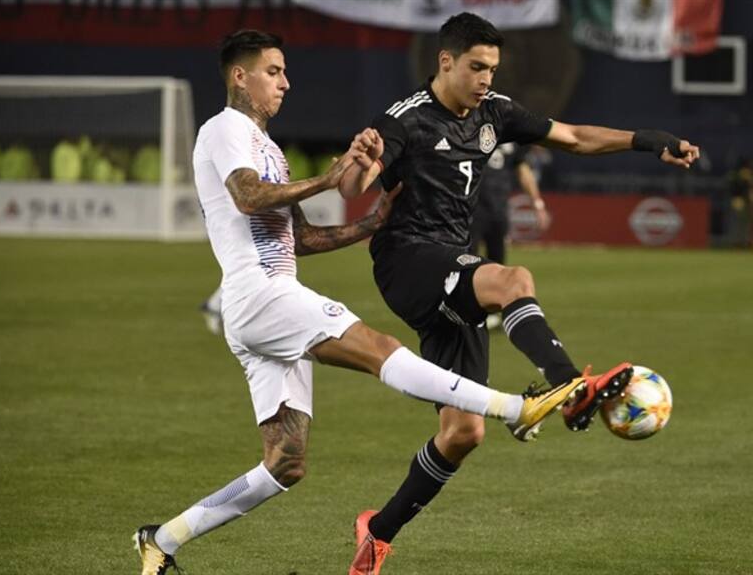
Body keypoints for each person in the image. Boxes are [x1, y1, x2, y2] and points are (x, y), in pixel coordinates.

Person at [132, 29, 585, 575]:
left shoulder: (268, 147)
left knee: (285, 463)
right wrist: (330, 177)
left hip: (262, 303)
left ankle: (162, 539)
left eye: (284, 72)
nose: (285, 82)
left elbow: (299, 239)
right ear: (240, 75)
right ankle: (517, 407)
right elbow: (247, 196)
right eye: (273, 72)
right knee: (380, 348)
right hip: (261, 294)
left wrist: (371, 224)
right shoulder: (224, 130)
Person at [338, 13, 700, 574]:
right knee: (513, 279)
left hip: (449, 273)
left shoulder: (495, 113)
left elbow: (575, 137)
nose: (486, 78)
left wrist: (649, 142)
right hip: (407, 260)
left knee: (463, 433)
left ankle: (377, 532)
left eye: (493, 68)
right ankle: (570, 384)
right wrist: (360, 163)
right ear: (446, 61)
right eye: (477, 67)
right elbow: (354, 184)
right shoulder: (404, 120)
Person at [470, 142, 550, 329]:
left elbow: (523, 169)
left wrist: (537, 203)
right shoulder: (468, 130)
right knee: (468, 263)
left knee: (498, 264)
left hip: (498, 210)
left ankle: (494, 313)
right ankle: (468, 313)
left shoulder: (512, 138)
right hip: (469, 210)